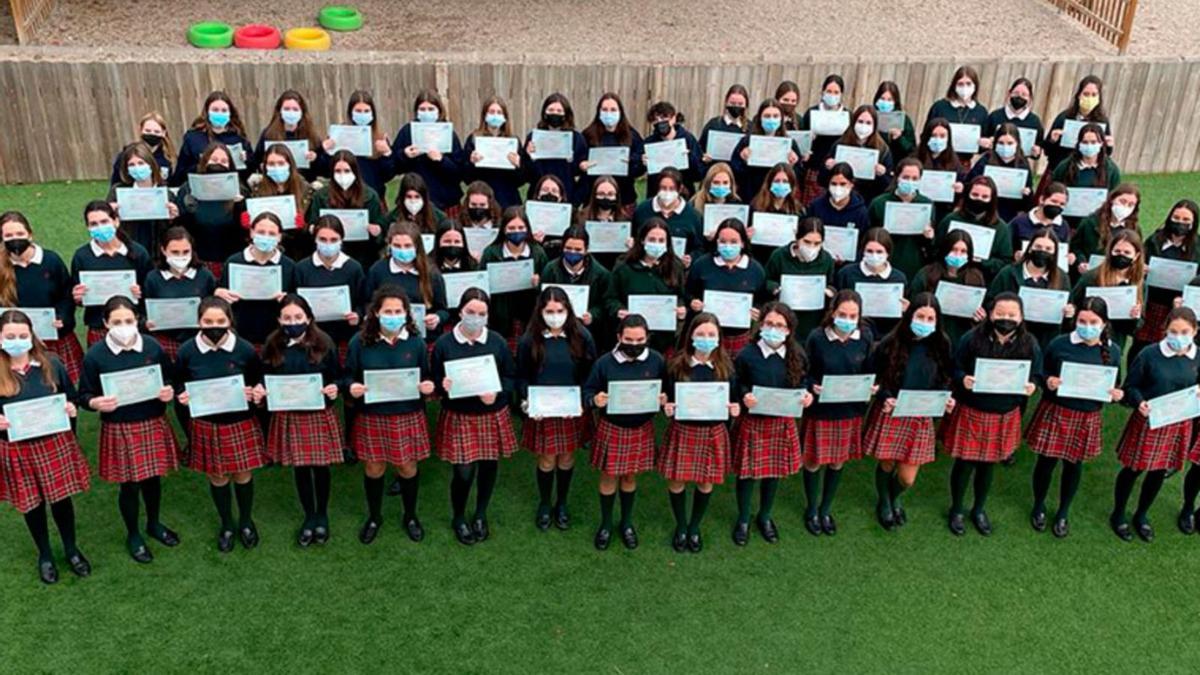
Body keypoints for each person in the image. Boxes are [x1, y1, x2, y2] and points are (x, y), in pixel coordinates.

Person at [79, 295, 180, 563]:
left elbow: (168, 376)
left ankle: (154, 523)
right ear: (105, 323)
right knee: (130, 485)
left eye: (128, 320)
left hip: (152, 420)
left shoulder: (152, 346)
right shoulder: (95, 355)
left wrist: (168, 390)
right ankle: (133, 533)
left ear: (137, 320)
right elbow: (84, 394)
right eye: (116, 322)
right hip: (120, 426)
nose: (123, 326)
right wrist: (95, 402)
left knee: (153, 478)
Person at [0, 309, 91, 584]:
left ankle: (71, 549)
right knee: (33, 504)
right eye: (10, 336)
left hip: (53, 442)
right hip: (16, 449)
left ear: (31, 336)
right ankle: (45, 554)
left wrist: (70, 408)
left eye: (23, 335)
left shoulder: (51, 363)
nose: (17, 340)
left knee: (61, 500)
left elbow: (71, 397)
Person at [943, 292, 1041, 536]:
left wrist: (1032, 385)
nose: (1005, 319)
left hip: (1005, 412)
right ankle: (956, 508)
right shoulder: (971, 338)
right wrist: (962, 378)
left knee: (988, 464)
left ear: (1021, 317)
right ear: (990, 314)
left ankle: (978, 509)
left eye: (1011, 315)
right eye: (1000, 314)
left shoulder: (1029, 343)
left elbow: (1037, 373)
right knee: (964, 462)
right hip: (972, 409)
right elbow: (954, 367)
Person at [343, 288, 436, 544]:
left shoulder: (416, 343)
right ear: (376, 313)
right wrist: (351, 387)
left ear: (406, 314)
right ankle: (374, 516)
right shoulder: (359, 342)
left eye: (398, 311)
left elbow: (426, 376)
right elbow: (348, 376)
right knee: (374, 467)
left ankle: (410, 515)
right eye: (388, 311)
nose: (393, 316)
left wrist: (429, 385)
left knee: (407, 466)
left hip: (407, 413)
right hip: (373, 414)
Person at [172, 297, 265, 552]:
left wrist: (257, 391)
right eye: (208, 321)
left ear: (230, 321)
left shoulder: (245, 349)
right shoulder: (187, 351)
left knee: (243, 473)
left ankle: (246, 521)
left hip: (239, 421)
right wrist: (182, 394)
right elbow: (178, 382)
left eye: (220, 321)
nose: (214, 325)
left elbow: (259, 380)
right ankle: (226, 523)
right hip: (206, 423)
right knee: (218, 475)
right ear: (199, 322)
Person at [1026, 297, 1122, 538]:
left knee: (1073, 465)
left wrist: (1116, 393)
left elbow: (1115, 381)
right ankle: (1038, 506)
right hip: (1056, 410)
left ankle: (1062, 512)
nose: (1087, 326)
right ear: (1075, 319)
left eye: (1093, 321)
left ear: (1104, 323)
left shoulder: (1113, 350)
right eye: (1082, 320)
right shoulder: (1060, 343)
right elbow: (1041, 371)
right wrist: (1048, 380)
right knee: (1046, 462)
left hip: (1087, 415)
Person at [430, 288, 518, 545]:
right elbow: (434, 380)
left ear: (488, 315)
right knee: (463, 473)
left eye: (481, 313)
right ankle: (458, 517)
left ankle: (480, 514)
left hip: (491, 414)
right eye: (470, 312)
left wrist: (498, 394)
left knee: (489, 467)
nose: (475, 317)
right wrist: (440, 385)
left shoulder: (498, 342)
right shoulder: (444, 344)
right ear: (460, 312)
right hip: (459, 416)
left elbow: (511, 377)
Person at [254, 294, 343, 547]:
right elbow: (264, 378)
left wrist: (334, 388)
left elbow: (337, 377)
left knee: (321, 467)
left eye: (298, 317)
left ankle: (322, 514)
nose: (293, 322)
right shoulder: (272, 345)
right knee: (301, 468)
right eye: (287, 318)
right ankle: (309, 516)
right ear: (279, 320)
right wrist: (260, 390)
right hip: (289, 415)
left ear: (309, 318)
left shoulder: (324, 342)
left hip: (318, 413)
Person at [864, 293, 955, 529]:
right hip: (892, 411)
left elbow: (946, 377)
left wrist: (945, 399)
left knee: (907, 477)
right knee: (886, 464)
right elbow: (874, 378)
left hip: (921, 414)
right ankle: (884, 502)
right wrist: (884, 397)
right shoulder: (890, 342)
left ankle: (895, 496)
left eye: (930, 318)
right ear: (909, 316)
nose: (924, 322)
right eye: (920, 316)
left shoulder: (942, 343)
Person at [1112, 307, 1200, 543]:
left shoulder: (1198, 355)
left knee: (1159, 471)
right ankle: (1118, 514)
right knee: (1133, 469)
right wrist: (1139, 402)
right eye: (1173, 331)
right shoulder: (1150, 354)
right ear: (1165, 330)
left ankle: (1141, 515)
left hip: (1178, 423)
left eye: (1184, 331)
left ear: (1195, 331)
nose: (1178, 336)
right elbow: (1130, 386)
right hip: (1148, 420)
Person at [582, 314, 668, 551]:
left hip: (641, 428)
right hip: (612, 427)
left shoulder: (657, 361)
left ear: (647, 338)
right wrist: (594, 399)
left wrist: (665, 398)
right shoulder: (604, 363)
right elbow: (587, 390)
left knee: (630, 477)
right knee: (609, 477)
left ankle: (627, 523)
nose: (634, 344)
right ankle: (607, 524)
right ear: (619, 337)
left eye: (639, 339)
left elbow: (668, 390)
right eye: (628, 339)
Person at [516, 287, 597, 531]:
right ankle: (544, 502)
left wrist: (582, 401)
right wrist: (526, 401)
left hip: (571, 410)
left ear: (568, 310)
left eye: (560, 310)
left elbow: (590, 376)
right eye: (549, 311)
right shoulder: (528, 340)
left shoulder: (582, 336)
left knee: (567, 457)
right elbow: (521, 376)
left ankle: (561, 502)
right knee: (547, 458)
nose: (555, 315)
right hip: (542, 411)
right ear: (540, 312)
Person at [731, 302, 812, 545]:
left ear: (788, 330)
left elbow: (803, 381)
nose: (774, 329)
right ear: (761, 325)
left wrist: (806, 394)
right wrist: (744, 395)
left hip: (782, 422)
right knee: (747, 473)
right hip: (753, 421)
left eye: (779, 325)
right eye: (769, 324)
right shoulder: (746, 354)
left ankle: (764, 516)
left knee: (773, 471)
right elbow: (736, 383)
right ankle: (744, 518)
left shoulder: (797, 354)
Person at [660, 313, 740, 552]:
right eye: (701, 334)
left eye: (711, 334)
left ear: (719, 338)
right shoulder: (676, 365)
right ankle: (681, 525)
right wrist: (666, 406)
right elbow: (665, 397)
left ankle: (695, 527)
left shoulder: (727, 367)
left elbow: (734, 400)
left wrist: (735, 408)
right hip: (683, 430)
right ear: (690, 336)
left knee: (706, 482)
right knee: (677, 480)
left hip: (713, 432)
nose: (706, 338)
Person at [802, 289, 875, 536]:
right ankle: (812, 508)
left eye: (853, 315)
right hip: (821, 408)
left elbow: (869, 368)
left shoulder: (865, 336)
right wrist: (812, 385)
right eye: (842, 313)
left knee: (837, 460)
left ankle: (825, 509)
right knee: (813, 460)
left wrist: (872, 385)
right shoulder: (816, 337)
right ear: (833, 312)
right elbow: (805, 371)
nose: (847, 318)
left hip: (850, 409)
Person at [1, 212, 84, 384]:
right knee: (19, 383)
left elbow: (66, 294)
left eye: (19, 234)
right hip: (15, 339)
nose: (15, 239)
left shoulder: (50, 260)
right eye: (8, 235)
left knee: (57, 382)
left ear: (30, 234)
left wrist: (63, 318)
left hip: (52, 336)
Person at [70, 201, 152, 346]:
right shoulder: (81, 256)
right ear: (88, 227)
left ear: (116, 221)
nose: (100, 227)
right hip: (99, 326)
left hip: (132, 325)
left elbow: (151, 289)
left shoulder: (138, 252)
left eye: (104, 221)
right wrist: (78, 297)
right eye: (93, 224)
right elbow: (78, 297)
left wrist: (141, 292)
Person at [604, 219, 688, 356]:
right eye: (652, 239)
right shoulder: (624, 266)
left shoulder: (675, 266)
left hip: (664, 339)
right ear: (642, 240)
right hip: (631, 339)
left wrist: (682, 310)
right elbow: (610, 298)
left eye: (661, 240)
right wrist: (618, 310)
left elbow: (682, 297)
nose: (657, 244)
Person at [1131, 200, 1200, 365]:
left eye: (1185, 220)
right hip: (1153, 304)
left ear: (1193, 223)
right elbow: (1138, 262)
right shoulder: (1155, 240)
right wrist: (1142, 268)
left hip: (1180, 307)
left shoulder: (1198, 247)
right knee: (1141, 347)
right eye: (1176, 218)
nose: (1180, 223)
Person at [685, 218, 767, 355]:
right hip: (706, 336)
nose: (728, 246)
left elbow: (762, 299)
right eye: (723, 241)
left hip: (738, 335)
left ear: (742, 243)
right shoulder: (701, 265)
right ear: (716, 241)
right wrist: (692, 302)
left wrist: (757, 311)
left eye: (734, 242)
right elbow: (688, 292)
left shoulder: (756, 270)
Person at [215, 212, 297, 350]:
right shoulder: (234, 261)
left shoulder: (289, 265)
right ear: (251, 232)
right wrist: (220, 293)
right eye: (261, 232)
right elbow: (221, 295)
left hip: (275, 334)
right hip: (241, 331)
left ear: (279, 237)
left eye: (272, 233)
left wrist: (287, 299)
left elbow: (296, 299)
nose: (266, 237)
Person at [292, 215, 367, 366]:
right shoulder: (302, 268)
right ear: (315, 239)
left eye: (333, 240)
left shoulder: (353, 268)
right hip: (312, 337)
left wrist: (357, 315)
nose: (328, 244)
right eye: (323, 239)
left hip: (344, 336)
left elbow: (363, 301)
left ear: (341, 240)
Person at [987, 228, 1074, 349]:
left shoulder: (1062, 278)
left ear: (1055, 253)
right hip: (1011, 338)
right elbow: (990, 301)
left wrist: (1069, 312)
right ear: (1030, 248)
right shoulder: (1008, 273)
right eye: (1038, 247)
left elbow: (1069, 306)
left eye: (1048, 249)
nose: (1042, 251)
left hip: (1046, 340)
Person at [173, 142, 249, 277]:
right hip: (197, 260)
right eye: (214, 160)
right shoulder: (188, 189)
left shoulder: (240, 191)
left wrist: (239, 206)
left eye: (224, 161)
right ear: (204, 161)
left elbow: (245, 230)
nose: (218, 163)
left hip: (230, 259)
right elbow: (180, 226)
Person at [479, 206, 549, 352]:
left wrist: (538, 282)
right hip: (499, 315)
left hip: (529, 314)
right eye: (511, 228)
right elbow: (481, 283)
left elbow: (547, 286)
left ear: (527, 229)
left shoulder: (538, 253)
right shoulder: (491, 253)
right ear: (504, 229)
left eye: (520, 227)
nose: (516, 231)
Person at [142, 227, 216, 362]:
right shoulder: (153, 278)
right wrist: (146, 322)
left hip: (198, 341)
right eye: (175, 252)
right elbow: (143, 311)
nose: (181, 256)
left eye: (186, 251)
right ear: (163, 250)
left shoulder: (204, 275)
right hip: (164, 341)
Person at [306, 150, 388, 267]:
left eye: (346, 171)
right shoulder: (321, 196)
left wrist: (377, 230)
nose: (342, 175)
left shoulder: (370, 196)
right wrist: (313, 228)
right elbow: (312, 222)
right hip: (330, 252)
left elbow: (381, 225)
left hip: (362, 255)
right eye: (338, 171)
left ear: (355, 172)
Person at [1069, 228, 1145, 353]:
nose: (1121, 255)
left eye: (1127, 252)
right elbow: (1073, 303)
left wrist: (1135, 316)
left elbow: (1137, 325)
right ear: (1110, 252)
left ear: (1136, 256)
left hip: (1115, 343)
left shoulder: (1139, 284)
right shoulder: (1091, 277)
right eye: (1117, 251)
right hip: (1085, 338)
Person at [391, 89, 465, 213]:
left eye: (431, 109)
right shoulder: (407, 132)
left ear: (439, 111)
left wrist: (441, 160)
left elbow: (458, 173)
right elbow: (393, 167)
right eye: (422, 109)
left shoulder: (448, 134)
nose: (426, 113)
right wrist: (404, 155)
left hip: (445, 202)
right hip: (413, 200)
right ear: (417, 111)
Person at [909, 230, 987, 346]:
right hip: (930, 338)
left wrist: (981, 317)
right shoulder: (926, 274)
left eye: (963, 251)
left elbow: (981, 309)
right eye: (954, 250)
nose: (958, 254)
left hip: (960, 337)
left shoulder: (976, 277)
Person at [764, 217, 835, 341]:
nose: (812, 247)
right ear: (797, 238)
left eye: (817, 243)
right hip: (784, 317)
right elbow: (766, 280)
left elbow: (833, 283)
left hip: (812, 319)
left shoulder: (826, 259)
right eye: (807, 242)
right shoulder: (779, 256)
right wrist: (774, 288)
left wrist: (829, 291)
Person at [320, 90, 396, 209]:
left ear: (372, 114)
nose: (362, 114)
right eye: (358, 111)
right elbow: (325, 170)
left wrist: (387, 153)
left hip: (372, 199)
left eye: (366, 111)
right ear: (351, 113)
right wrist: (325, 151)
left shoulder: (379, 137)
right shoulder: (338, 135)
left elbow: (387, 175)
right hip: (342, 199)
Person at [934, 176, 1013, 280]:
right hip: (946, 276)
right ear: (967, 195)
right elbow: (935, 249)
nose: (979, 199)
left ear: (992, 200)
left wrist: (982, 262)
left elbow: (1005, 262)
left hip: (982, 281)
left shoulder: (1000, 228)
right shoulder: (951, 219)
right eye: (975, 195)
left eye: (985, 197)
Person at [834, 228, 909, 337]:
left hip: (887, 335)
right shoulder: (846, 274)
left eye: (879, 252)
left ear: (888, 253)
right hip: (854, 335)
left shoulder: (899, 278)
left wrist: (906, 310)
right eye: (869, 251)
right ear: (863, 251)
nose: (874, 256)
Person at [107, 142, 181, 252]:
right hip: (130, 250)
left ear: (151, 164)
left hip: (159, 252)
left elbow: (175, 229)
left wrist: (174, 217)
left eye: (141, 163)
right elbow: (106, 222)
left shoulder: (166, 193)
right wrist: (110, 212)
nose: (137, 168)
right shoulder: (118, 192)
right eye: (131, 165)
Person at [866, 158, 934, 278]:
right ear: (897, 177)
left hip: (914, 263)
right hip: (883, 262)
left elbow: (930, 245)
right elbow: (867, 234)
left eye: (915, 179)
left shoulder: (926, 204)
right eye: (906, 177)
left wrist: (929, 236)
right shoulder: (879, 203)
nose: (910, 182)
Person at [170, 91, 252, 186]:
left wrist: (247, 161)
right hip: (200, 189)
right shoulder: (193, 138)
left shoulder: (239, 138)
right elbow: (180, 173)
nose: (219, 113)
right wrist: (203, 164)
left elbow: (248, 174)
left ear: (230, 113)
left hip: (230, 190)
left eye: (224, 110)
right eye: (215, 110)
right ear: (207, 112)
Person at [522, 92, 589, 205]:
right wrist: (528, 157)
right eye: (551, 110)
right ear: (544, 113)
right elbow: (526, 175)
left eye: (559, 111)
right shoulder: (533, 137)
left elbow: (584, 173)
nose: (555, 114)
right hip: (537, 198)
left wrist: (576, 200)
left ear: (566, 114)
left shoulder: (577, 139)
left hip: (567, 199)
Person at [248, 143, 313, 260]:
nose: (276, 167)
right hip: (266, 252)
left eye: (281, 163)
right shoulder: (256, 191)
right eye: (271, 164)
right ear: (264, 166)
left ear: (290, 165)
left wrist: (304, 227)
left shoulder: (306, 191)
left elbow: (312, 230)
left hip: (298, 253)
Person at [730, 99, 801, 204]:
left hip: (779, 199)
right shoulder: (747, 141)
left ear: (781, 119)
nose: (771, 119)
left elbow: (798, 175)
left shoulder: (790, 143)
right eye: (767, 116)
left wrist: (793, 165)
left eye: (775, 116)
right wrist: (744, 161)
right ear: (760, 118)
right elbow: (735, 171)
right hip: (752, 195)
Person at [821, 105, 893, 202]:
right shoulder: (840, 144)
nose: (864, 126)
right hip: (839, 197)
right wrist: (828, 167)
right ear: (853, 122)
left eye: (868, 123)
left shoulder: (883, 150)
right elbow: (822, 179)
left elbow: (888, 186)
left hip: (867, 200)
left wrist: (882, 174)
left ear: (874, 126)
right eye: (860, 121)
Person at [965, 123, 1034, 222]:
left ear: (1017, 144)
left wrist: (1027, 193)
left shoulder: (1022, 164)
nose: (1005, 147)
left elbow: (1028, 200)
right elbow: (969, 183)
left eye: (1010, 143)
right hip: (984, 210)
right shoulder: (986, 160)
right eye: (1001, 143)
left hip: (1009, 212)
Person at [464, 96, 525, 208]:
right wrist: (472, 163)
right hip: (482, 200)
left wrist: (518, 165)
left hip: (508, 200)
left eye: (499, 112)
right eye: (491, 112)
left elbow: (521, 181)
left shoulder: (513, 142)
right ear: (485, 115)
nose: (495, 115)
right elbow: (467, 179)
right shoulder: (474, 140)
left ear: (505, 117)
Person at [1045, 75, 1114, 174]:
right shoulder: (1064, 117)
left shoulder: (1102, 121)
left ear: (1099, 98)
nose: (1089, 98)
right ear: (1078, 95)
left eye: (1094, 95)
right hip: (1061, 171)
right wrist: (1052, 140)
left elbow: (1105, 153)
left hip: (1089, 172)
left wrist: (1109, 146)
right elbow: (1047, 151)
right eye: (1086, 94)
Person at [1070, 184, 1140, 279]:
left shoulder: (1134, 229)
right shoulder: (1090, 222)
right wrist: (1081, 262)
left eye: (1131, 205)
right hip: (1090, 274)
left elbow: (1137, 253)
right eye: (1122, 201)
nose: (1126, 207)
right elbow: (1075, 246)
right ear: (1112, 199)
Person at [252, 89, 323, 181]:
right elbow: (257, 161)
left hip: (305, 184)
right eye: (287, 109)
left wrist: (315, 158)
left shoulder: (311, 135)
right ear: (280, 111)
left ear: (302, 112)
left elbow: (323, 169)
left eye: (295, 109)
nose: (291, 112)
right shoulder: (268, 134)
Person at [798, 75, 848, 202]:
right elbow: (802, 141)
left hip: (838, 170)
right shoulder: (812, 113)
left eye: (836, 92)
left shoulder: (847, 115)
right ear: (823, 92)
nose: (832, 95)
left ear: (841, 94)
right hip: (815, 167)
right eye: (829, 91)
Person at [924, 66, 988, 164]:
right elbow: (925, 134)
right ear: (954, 85)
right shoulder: (940, 107)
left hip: (963, 163)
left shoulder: (981, 111)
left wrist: (984, 144)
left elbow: (983, 144)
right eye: (960, 84)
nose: (964, 87)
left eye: (968, 84)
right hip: (938, 160)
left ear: (975, 86)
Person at [747, 163, 805, 265]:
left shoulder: (798, 210)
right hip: (759, 258)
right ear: (769, 183)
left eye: (785, 181)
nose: (781, 184)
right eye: (777, 181)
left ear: (792, 184)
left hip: (785, 262)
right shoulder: (756, 206)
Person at [642, 100, 703, 199]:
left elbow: (699, 174)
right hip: (656, 195)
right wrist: (642, 163)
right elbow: (637, 170)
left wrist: (690, 158)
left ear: (673, 118)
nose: (660, 122)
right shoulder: (649, 143)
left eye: (663, 117)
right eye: (656, 120)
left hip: (684, 196)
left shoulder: (688, 139)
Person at [984, 77, 1045, 160]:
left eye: (1024, 94)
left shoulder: (1034, 121)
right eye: (1016, 93)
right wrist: (986, 143)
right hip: (994, 162)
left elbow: (1038, 150)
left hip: (1020, 164)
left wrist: (1036, 152)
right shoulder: (995, 116)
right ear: (1009, 94)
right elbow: (983, 141)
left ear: (1030, 98)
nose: (1019, 96)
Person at [109, 112, 175, 185]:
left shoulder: (168, 158)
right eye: (148, 131)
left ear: (163, 133)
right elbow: (116, 181)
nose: (152, 134)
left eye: (156, 131)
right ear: (140, 130)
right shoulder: (127, 154)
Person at [697, 84, 750, 172]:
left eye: (740, 104)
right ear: (726, 102)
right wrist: (704, 157)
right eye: (732, 103)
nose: (736, 106)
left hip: (740, 178)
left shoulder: (750, 128)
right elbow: (700, 150)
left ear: (746, 105)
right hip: (715, 175)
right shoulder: (713, 125)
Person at [872, 81, 917, 162]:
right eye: (882, 98)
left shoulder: (904, 120)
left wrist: (899, 138)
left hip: (895, 163)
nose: (885, 103)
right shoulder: (871, 115)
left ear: (895, 101)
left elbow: (911, 149)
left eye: (889, 100)